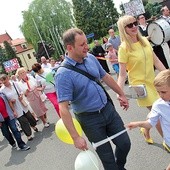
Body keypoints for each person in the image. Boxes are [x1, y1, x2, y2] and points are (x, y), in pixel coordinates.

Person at [55, 28, 131, 170]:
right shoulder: (62, 74)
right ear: (69, 47)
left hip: (108, 110)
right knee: (107, 159)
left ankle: (119, 167)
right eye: (82, 44)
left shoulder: (90, 58)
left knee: (125, 143)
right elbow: (63, 108)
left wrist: (121, 94)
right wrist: (75, 137)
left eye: (86, 42)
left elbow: (106, 77)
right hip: (90, 121)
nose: (87, 47)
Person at [117, 15, 166, 144]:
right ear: (123, 29)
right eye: (129, 25)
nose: (134, 26)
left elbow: (156, 60)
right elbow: (122, 74)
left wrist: (167, 75)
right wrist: (119, 93)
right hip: (140, 86)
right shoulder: (123, 48)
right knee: (158, 112)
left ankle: (145, 129)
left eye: (134, 23)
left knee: (156, 110)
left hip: (153, 82)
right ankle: (167, 141)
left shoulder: (144, 40)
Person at [127, 69, 170, 153]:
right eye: (158, 92)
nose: (160, 95)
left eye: (163, 92)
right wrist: (138, 124)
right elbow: (150, 123)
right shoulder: (158, 105)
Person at [0, 74, 38, 141]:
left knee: (30, 117)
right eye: (2, 81)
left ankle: (33, 125)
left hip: (22, 103)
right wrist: (10, 101)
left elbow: (21, 91)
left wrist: (21, 95)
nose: (4, 83)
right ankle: (28, 135)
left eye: (5, 81)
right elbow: (4, 100)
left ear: (8, 78)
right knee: (23, 121)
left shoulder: (14, 84)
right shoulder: (2, 90)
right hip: (14, 107)